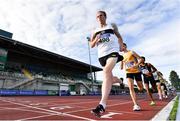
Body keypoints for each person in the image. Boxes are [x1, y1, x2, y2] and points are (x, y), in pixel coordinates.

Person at [90, 10, 124, 117]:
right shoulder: (94, 30)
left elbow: (119, 36)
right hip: (102, 56)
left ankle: (102, 105)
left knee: (106, 71)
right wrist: (96, 40)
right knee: (109, 77)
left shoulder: (112, 25)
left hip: (113, 52)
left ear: (105, 16)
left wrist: (121, 45)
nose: (99, 18)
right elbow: (91, 45)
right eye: (97, 16)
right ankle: (119, 80)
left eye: (101, 16)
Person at [120, 43, 144, 111]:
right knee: (131, 87)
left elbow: (141, 59)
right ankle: (136, 105)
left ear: (125, 46)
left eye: (121, 46)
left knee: (141, 88)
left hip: (137, 72)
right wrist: (121, 64)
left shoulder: (131, 52)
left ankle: (139, 87)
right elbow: (121, 67)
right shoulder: (121, 56)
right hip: (129, 72)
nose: (120, 48)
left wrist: (137, 64)